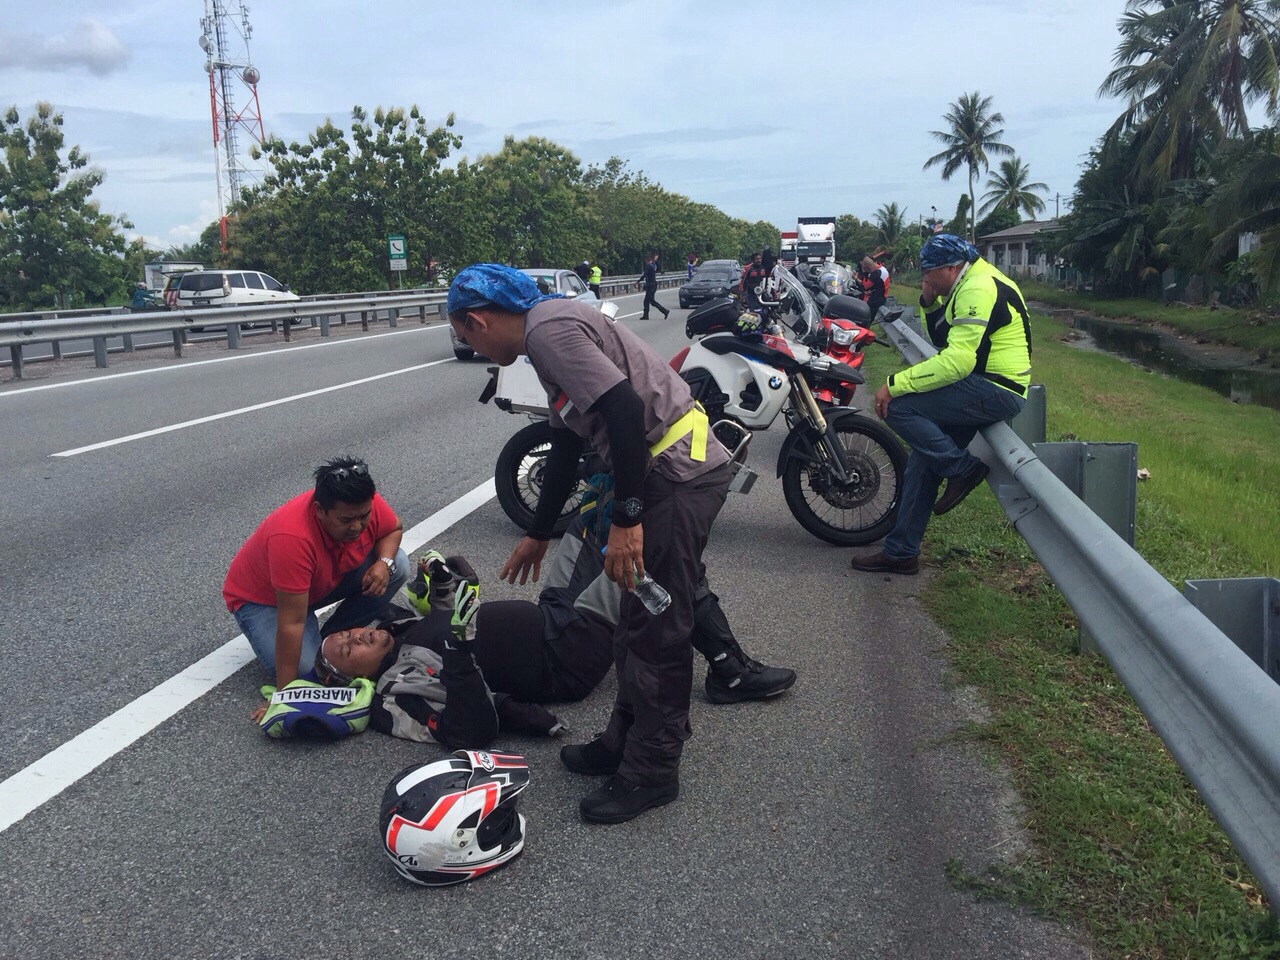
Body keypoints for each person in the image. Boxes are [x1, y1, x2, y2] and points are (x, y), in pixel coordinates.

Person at [447, 264, 734, 824]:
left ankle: (651, 771)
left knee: (657, 630)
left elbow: (625, 410)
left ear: (476, 320)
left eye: (466, 336)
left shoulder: (547, 334)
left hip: (676, 476)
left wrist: (627, 519)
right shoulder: (548, 328)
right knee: (632, 619)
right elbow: (562, 447)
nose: (470, 345)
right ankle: (623, 740)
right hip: (661, 474)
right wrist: (537, 531)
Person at [312, 512, 796, 747]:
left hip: (552, 613)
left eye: (347, 634)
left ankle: (725, 662)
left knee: (593, 520)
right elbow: (470, 730)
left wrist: (441, 578)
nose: (357, 636)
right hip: (567, 654)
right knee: (662, 554)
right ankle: (729, 669)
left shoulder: (396, 628)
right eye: (348, 650)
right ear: (354, 680)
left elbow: (452, 605)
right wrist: (461, 647)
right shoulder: (398, 694)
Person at [850, 234, 1031, 576]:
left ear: (950, 267)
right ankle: (901, 552)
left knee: (901, 407)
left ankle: (962, 469)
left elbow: (958, 361)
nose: (925, 278)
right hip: (982, 384)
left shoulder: (978, 288)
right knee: (922, 461)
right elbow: (945, 341)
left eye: (928, 272)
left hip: (996, 389)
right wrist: (929, 302)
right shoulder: (966, 284)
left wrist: (893, 385)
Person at [222, 456, 410, 689]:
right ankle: (320, 646)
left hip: (315, 583)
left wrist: (383, 563)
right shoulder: (292, 538)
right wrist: (286, 693)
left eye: (364, 517)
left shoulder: (362, 504)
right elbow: (292, 621)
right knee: (306, 671)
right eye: (346, 520)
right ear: (319, 510)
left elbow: (393, 529)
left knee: (397, 564)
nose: (357, 527)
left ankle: (334, 636)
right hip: (265, 600)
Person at [638, 253, 669, 319]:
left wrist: (637, 282)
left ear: (646, 260)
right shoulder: (652, 265)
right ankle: (646, 315)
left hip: (651, 286)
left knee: (652, 301)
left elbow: (644, 275)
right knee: (647, 301)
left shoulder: (649, 266)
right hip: (652, 286)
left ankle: (665, 311)